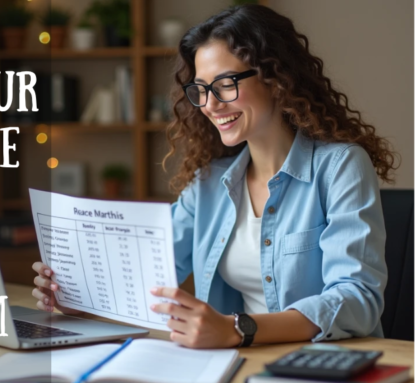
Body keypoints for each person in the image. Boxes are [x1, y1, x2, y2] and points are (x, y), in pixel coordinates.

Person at [31, 5, 397, 348]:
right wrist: (78, 297)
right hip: (236, 365)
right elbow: (148, 272)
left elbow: (356, 299)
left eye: (224, 84)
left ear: (275, 78)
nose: (210, 104)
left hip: (320, 367)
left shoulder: (341, 167)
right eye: (201, 90)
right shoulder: (209, 182)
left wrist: (237, 329)